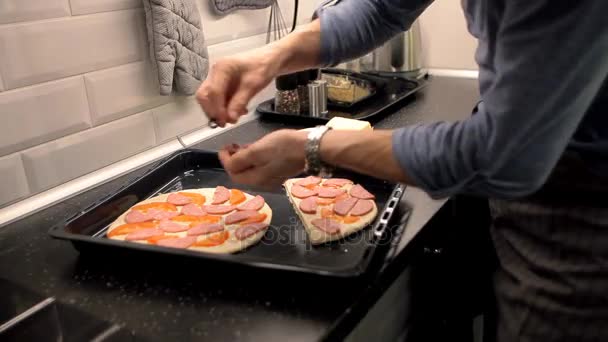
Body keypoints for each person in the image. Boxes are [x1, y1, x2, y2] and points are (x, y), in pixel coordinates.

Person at [196, 1, 608, 341]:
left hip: (586, 208)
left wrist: (314, 146)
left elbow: (504, 155)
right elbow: (380, 8)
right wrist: (270, 58)